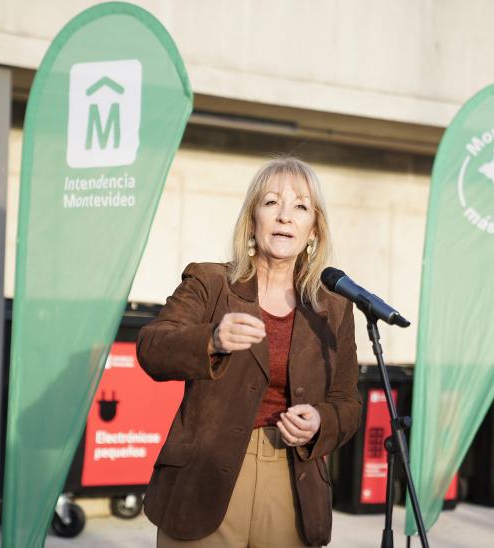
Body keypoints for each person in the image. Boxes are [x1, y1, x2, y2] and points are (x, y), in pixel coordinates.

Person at [136, 156, 361, 547]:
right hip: (204, 480)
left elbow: (348, 402)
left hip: (291, 480)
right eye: (272, 202)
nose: (285, 216)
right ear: (253, 219)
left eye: (300, 206)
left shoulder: (334, 308)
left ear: (314, 230)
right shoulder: (210, 283)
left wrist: (320, 423)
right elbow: (152, 347)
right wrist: (212, 340)